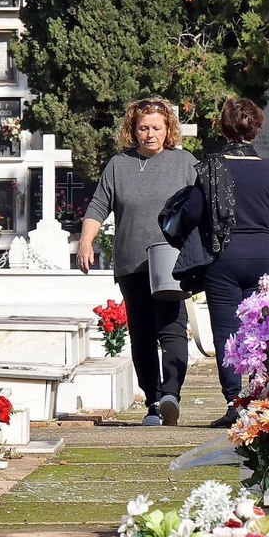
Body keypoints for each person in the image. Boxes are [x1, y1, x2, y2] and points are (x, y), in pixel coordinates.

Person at [79, 98, 197, 426]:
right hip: (131, 261)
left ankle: (171, 394)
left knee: (172, 326)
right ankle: (153, 401)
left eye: (157, 127)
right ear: (133, 129)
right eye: (143, 128)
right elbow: (98, 206)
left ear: (168, 129)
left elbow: (202, 206)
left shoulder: (184, 163)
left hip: (172, 260)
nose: (150, 134)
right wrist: (85, 242)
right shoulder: (119, 165)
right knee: (142, 332)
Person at [199, 98, 269, 428]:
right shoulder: (266, 168)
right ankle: (258, 398)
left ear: (224, 128)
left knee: (227, 330)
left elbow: (194, 210)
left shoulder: (212, 166)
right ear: (257, 128)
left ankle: (235, 402)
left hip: (225, 252)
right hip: (262, 251)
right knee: (261, 329)